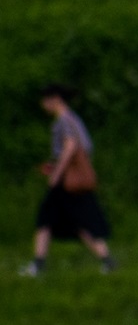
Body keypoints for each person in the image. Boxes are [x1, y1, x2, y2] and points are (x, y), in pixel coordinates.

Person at [28, 86, 110, 278]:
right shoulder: (74, 119)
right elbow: (84, 147)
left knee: (45, 219)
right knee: (79, 222)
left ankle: (38, 266)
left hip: (65, 181)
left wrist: (57, 172)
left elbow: (71, 146)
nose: (43, 104)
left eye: (45, 100)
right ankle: (107, 261)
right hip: (71, 179)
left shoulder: (63, 121)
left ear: (55, 99)